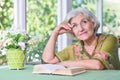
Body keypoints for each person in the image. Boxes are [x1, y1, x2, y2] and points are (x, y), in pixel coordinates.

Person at [42, 8, 120, 70]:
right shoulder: (74, 48)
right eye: (74, 26)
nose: (81, 29)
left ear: (93, 23)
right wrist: (55, 34)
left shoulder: (109, 39)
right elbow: (48, 61)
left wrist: (65, 63)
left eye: (84, 22)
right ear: (72, 31)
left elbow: (98, 65)